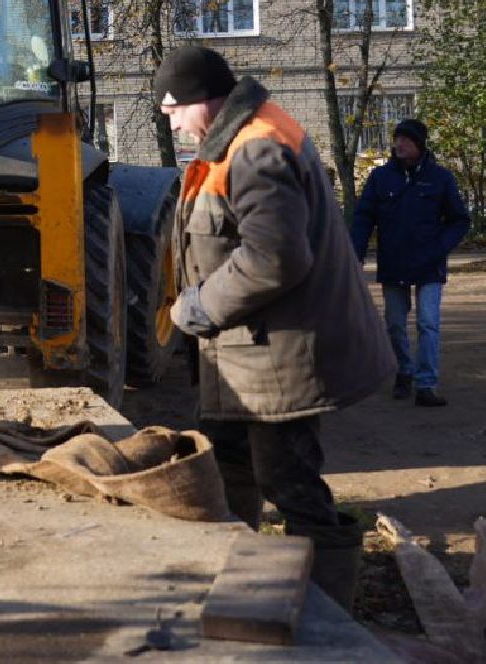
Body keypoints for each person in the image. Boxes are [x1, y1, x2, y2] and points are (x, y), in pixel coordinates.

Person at [158, 45, 394, 609]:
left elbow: (274, 259)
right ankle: (240, 581)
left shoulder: (257, 149)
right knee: (225, 462)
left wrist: (197, 308)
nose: (168, 118)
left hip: (280, 362)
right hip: (247, 356)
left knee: (290, 484)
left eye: (172, 108)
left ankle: (327, 613)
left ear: (203, 101)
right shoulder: (237, 140)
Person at [350, 118, 471, 408]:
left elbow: (459, 221)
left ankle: (426, 384)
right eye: (397, 139)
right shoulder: (380, 178)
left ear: (420, 144)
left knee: (428, 324)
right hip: (394, 262)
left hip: (429, 265)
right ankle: (404, 370)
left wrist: (439, 248)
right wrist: (355, 254)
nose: (399, 144)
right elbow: (364, 218)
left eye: (406, 139)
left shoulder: (440, 178)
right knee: (394, 325)